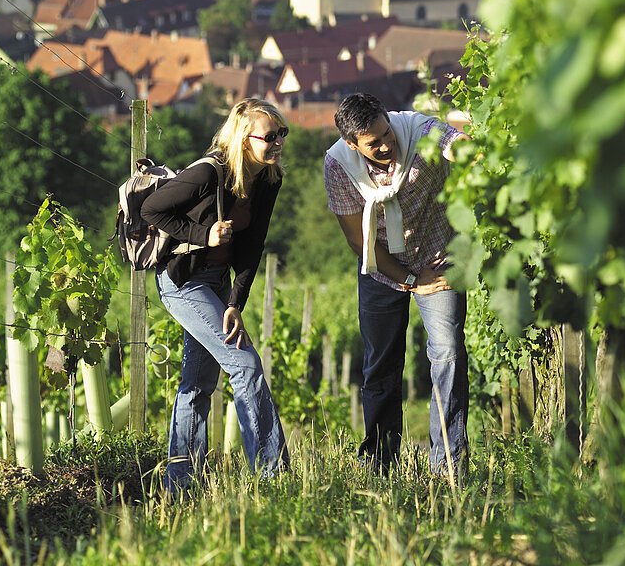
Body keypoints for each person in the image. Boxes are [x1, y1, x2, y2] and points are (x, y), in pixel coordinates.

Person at [142, 98, 290, 492]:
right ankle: (272, 477)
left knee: (198, 382)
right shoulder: (209, 173)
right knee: (245, 366)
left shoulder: (268, 180)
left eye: (282, 134)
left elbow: (252, 245)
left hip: (218, 283)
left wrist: (235, 304)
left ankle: (180, 485)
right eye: (270, 136)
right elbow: (152, 209)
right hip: (183, 282)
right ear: (244, 139)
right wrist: (201, 235)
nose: (278, 143)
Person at [324, 93, 469, 476]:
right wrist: (407, 279)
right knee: (381, 365)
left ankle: (448, 467)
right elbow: (359, 240)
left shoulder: (418, 131)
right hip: (380, 266)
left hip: (439, 258)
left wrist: (477, 156)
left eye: (387, 132)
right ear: (353, 144)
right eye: (374, 142)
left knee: (448, 353)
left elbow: (452, 142)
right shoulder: (338, 165)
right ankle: (381, 463)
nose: (387, 144)